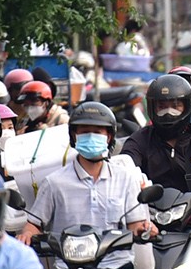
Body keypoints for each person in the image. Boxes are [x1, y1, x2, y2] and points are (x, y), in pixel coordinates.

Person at [16, 101, 153, 256]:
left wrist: (145, 229)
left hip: (115, 266)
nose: (91, 136)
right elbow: (34, 224)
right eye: (85, 132)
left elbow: (135, 225)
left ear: (109, 137)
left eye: (97, 132)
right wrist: (26, 234)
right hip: (68, 268)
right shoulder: (54, 183)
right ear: (74, 136)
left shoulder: (126, 179)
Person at [121, 74, 191, 200]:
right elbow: (125, 172)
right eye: (162, 107)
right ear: (152, 108)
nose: (168, 113)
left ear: (187, 107)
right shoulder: (139, 140)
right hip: (150, 213)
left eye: (175, 106)